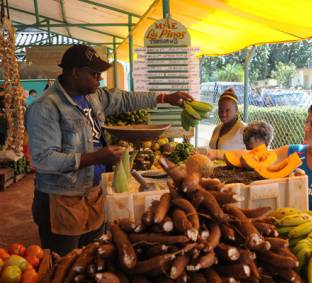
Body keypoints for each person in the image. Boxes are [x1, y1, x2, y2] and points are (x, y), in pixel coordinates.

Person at [25, 44, 192, 256]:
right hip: (61, 202)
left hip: (93, 195)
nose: (100, 79)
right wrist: (96, 158)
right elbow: (43, 160)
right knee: (63, 265)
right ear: (75, 72)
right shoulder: (45, 107)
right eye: (94, 74)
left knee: (92, 261)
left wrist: (163, 98)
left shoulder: (92, 96)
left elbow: (124, 99)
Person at [209, 98, 312, 224]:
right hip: (299, 230)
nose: (306, 128)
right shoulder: (295, 153)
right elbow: (255, 156)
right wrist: (214, 154)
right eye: (306, 122)